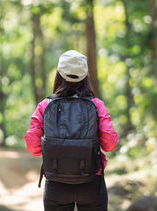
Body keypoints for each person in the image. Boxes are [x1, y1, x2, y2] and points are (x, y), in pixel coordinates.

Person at [24, 50, 119, 211]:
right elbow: (109, 144)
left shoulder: (45, 106)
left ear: (59, 75)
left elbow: (33, 147)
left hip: (56, 183)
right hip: (91, 182)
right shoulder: (96, 105)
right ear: (85, 76)